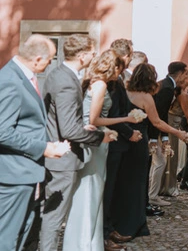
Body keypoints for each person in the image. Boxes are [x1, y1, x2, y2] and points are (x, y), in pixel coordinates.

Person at [63, 50, 142, 251]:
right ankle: (83, 242)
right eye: (119, 68)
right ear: (113, 67)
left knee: (94, 190)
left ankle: (88, 240)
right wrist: (126, 119)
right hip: (96, 140)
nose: (120, 72)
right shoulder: (100, 85)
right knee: (91, 190)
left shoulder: (93, 82)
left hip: (99, 140)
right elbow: (94, 120)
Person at [40, 35, 109, 251]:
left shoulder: (59, 74)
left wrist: (81, 126)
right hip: (63, 160)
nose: (94, 55)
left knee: (51, 215)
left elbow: (65, 120)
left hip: (59, 154)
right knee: (54, 218)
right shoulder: (67, 82)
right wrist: (99, 137)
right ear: (81, 56)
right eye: (91, 51)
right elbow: (68, 130)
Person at [0, 34, 68, 251]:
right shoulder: (10, 81)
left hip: (27, 171)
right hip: (14, 174)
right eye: (50, 59)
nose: (50, 64)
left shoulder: (22, 76)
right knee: (7, 236)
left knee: (22, 231)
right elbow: (2, 131)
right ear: (38, 59)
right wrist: (44, 148)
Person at [111, 64, 188, 239]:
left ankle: (118, 222)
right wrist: (178, 133)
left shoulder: (124, 93)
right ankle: (134, 224)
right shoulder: (146, 97)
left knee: (123, 183)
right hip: (138, 143)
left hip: (123, 139)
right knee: (138, 183)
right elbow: (157, 122)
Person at [103, 42, 147, 244]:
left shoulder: (119, 78)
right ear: (127, 56)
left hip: (118, 141)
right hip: (113, 141)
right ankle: (105, 232)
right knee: (108, 189)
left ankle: (110, 227)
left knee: (113, 188)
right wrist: (129, 132)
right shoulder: (112, 81)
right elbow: (115, 113)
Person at [149, 62, 188, 207]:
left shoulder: (167, 85)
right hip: (153, 130)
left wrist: (164, 137)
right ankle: (152, 195)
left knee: (158, 162)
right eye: (185, 74)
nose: (185, 77)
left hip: (157, 130)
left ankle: (151, 194)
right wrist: (156, 138)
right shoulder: (166, 88)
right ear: (179, 74)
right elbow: (159, 114)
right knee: (160, 162)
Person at [161, 69, 188, 197]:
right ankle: (169, 186)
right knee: (171, 156)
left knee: (167, 155)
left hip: (172, 123)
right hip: (173, 126)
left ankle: (164, 185)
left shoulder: (176, 92)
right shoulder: (182, 94)